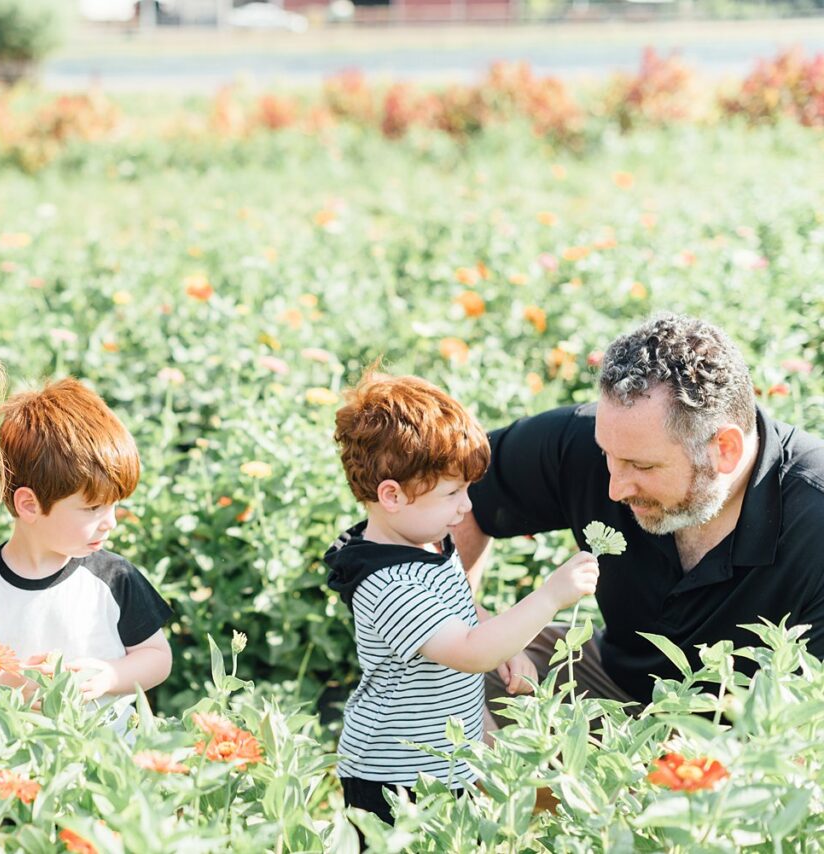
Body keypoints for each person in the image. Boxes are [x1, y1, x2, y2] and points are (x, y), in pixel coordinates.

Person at [455, 314, 824, 712]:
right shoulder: (596, 440)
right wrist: (469, 625)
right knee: (434, 669)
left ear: (726, 449)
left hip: (744, 736)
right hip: (608, 679)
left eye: (642, 466)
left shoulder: (814, 517)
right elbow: (452, 495)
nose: (615, 487)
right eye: (606, 454)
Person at [325, 371, 599, 823]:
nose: (467, 506)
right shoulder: (388, 584)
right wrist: (548, 597)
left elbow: (460, 610)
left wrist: (499, 641)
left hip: (444, 762)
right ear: (391, 496)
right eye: (453, 492)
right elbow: (467, 653)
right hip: (396, 777)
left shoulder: (426, 542)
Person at [0, 378, 172, 721]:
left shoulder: (114, 578)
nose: (110, 522)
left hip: (106, 753)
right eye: (92, 509)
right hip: (15, 762)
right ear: (29, 505)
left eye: (114, 506)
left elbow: (157, 656)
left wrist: (112, 676)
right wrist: (8, 685)